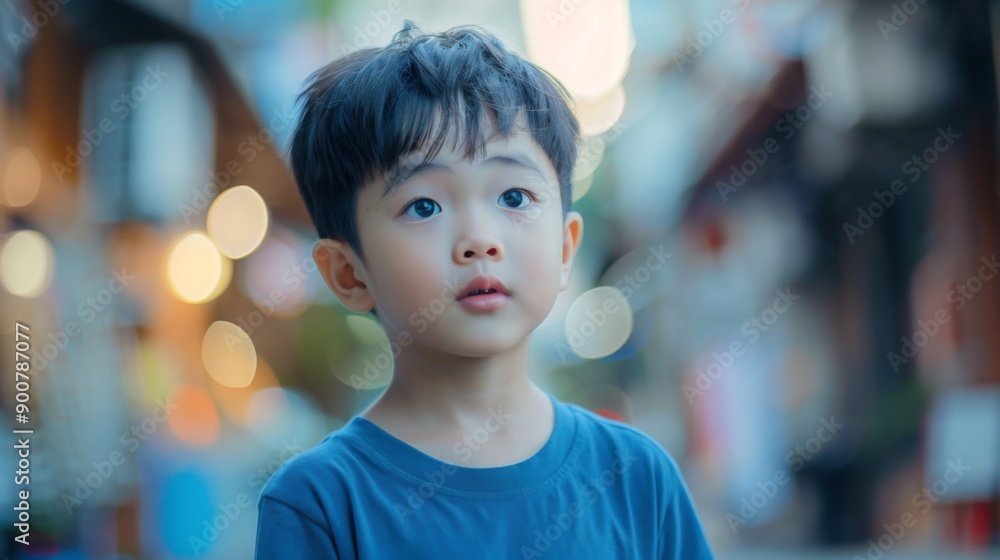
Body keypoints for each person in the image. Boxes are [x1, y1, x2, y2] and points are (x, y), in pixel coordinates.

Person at [254, 21, 715, 559]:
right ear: (348, 274)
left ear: (566, 249)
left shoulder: (637, 476)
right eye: (424, 206)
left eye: (514, 197)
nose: (480, 240)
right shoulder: (322, 502)